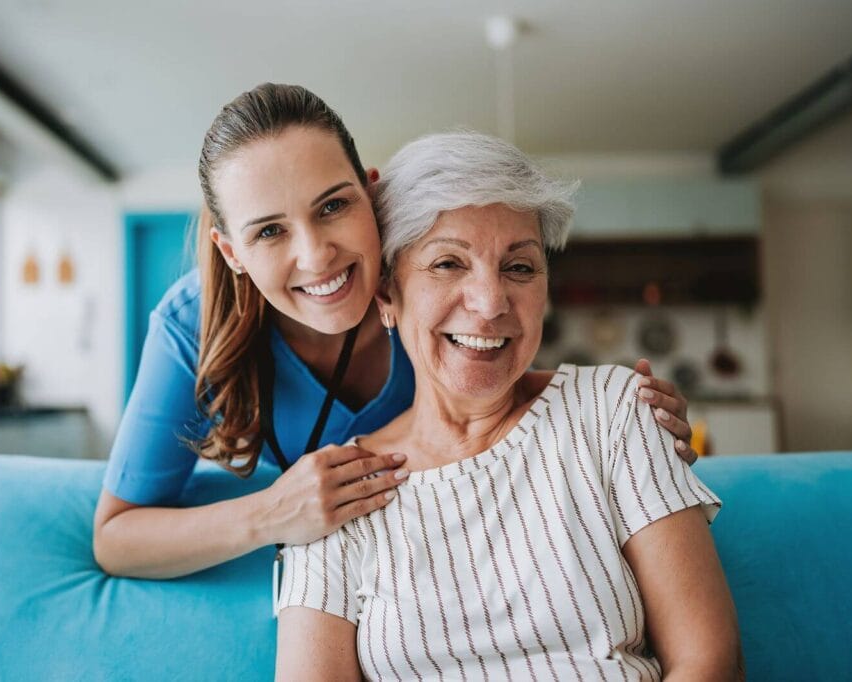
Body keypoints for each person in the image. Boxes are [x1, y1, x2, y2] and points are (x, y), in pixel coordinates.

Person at [92, 83, 697, 579]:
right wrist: (273, 514)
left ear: (370, 192)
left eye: (333, 206)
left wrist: (613, 409)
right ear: (232, 253)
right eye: (269, 232)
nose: (317, 256)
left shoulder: (422, 279)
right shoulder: (191, 323)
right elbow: (116, 537)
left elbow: (488, 380)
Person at [275, 131, 742, 681]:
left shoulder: (615, 410)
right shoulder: (336, 492)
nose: (491, 303)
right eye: (448, 263)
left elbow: (709, 663)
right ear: (386, 296)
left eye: (519, 268)